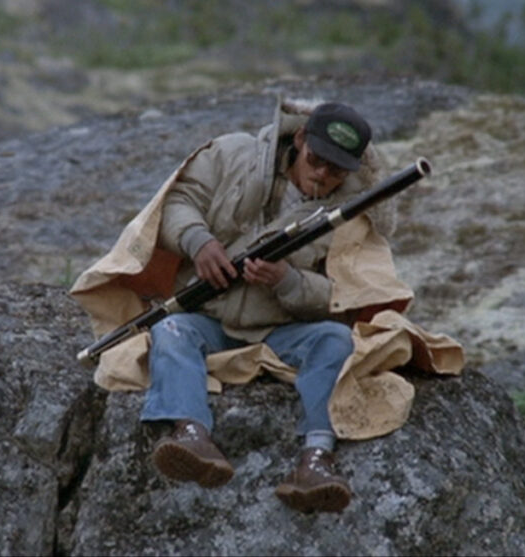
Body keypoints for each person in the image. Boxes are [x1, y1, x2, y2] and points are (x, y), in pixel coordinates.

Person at [70, 98, 464, 514]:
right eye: (316, 160)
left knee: (335, 340)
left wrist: (289, 281)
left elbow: (346, 298)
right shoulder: (232, 153)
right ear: (299, 139)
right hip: (210, 317)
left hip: (285, 330)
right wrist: (198, 243)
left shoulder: (355, 216)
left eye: (336, 171)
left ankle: (315, 459)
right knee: (169, 331)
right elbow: (178, 202)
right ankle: (191, 433)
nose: (322, 175)